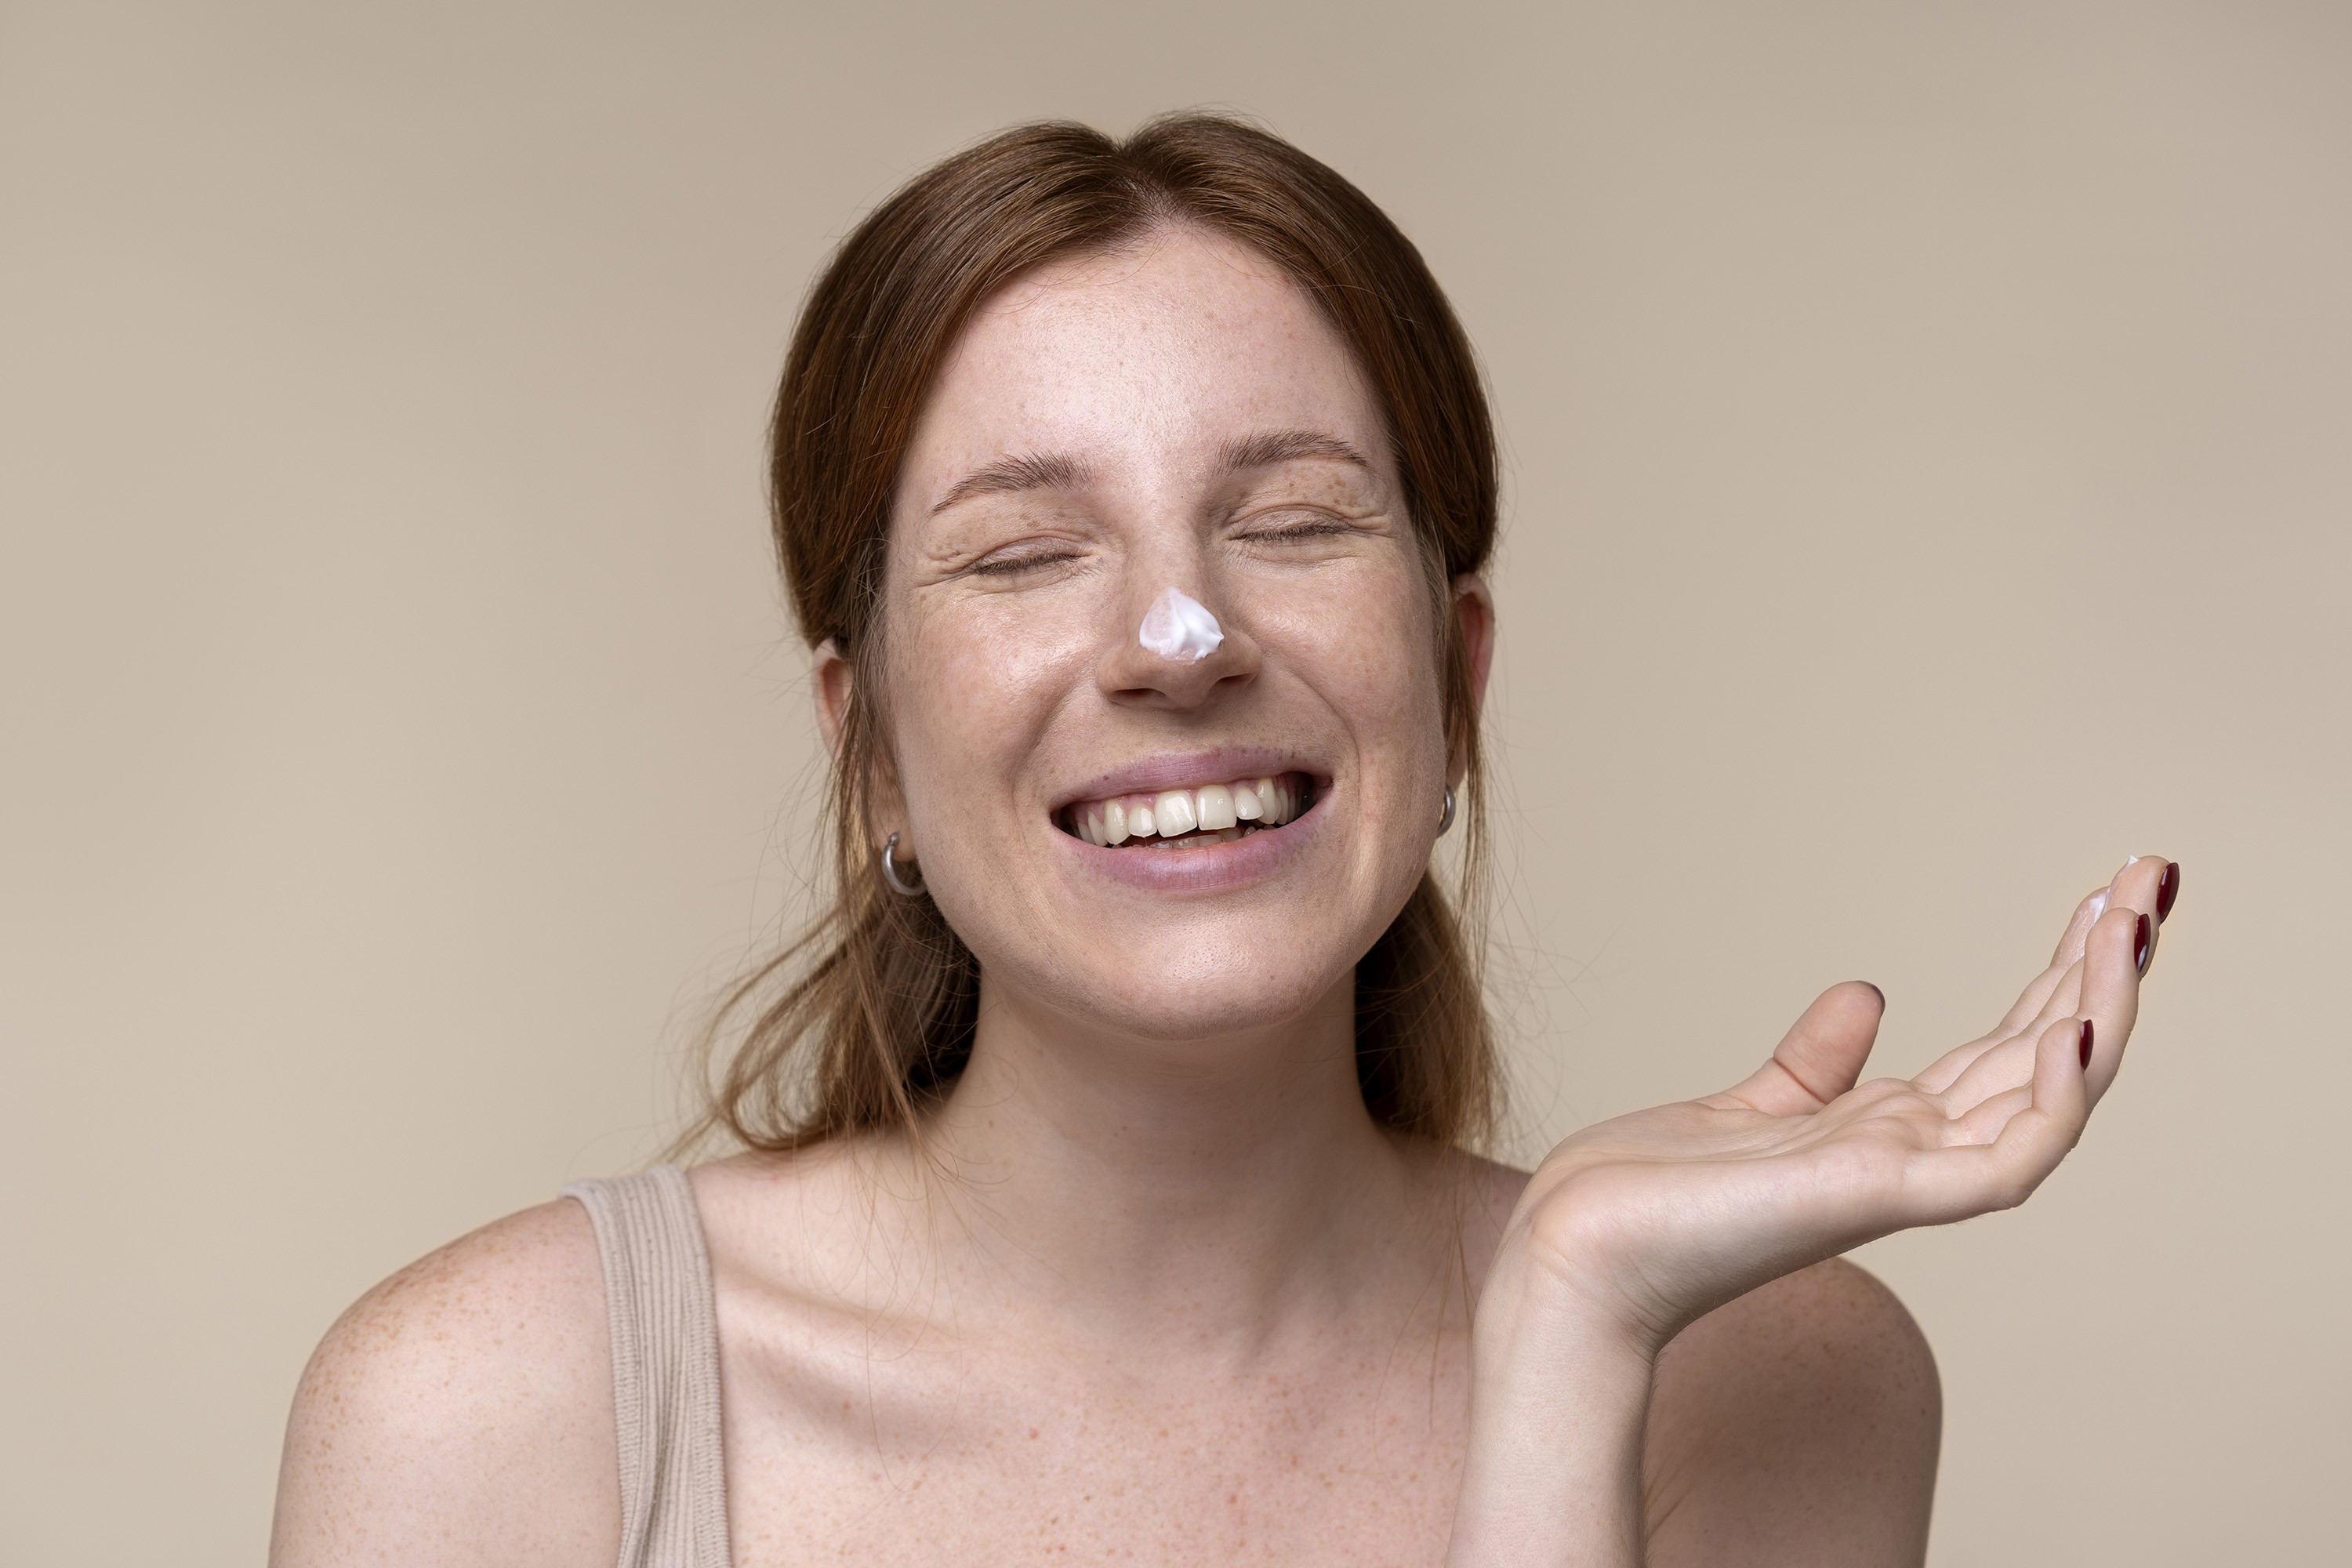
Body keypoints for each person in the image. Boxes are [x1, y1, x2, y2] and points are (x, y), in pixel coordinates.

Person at [267, 115, 2179, 1568]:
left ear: (1458, 688)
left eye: (1292, 518)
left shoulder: (1776, 1378)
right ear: (868, 760)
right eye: (1025, 552)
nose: (1178, 643)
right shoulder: (487, 1417)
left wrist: (1577, 1331)